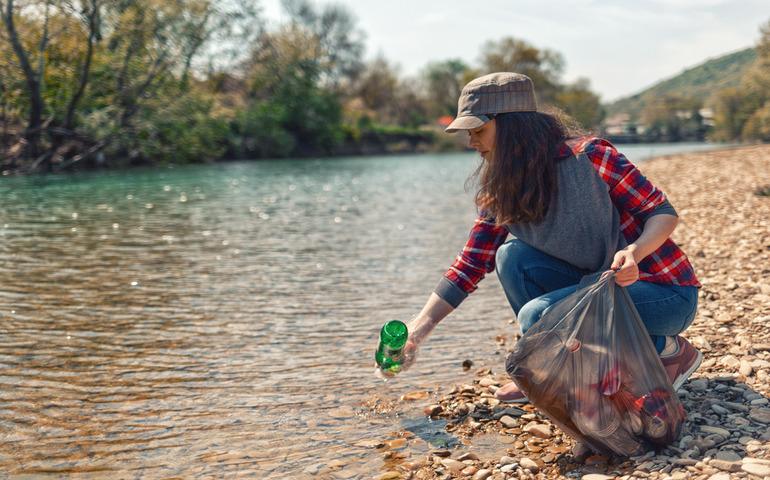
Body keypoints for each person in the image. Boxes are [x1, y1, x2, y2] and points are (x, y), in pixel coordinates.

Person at [394, 72, 702, 409]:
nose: (472, 142)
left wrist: (634, 252)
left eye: (479, 131)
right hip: (596, 291)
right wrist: (417, 330)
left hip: (660, 294)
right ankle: (562, 372)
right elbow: (470, 264)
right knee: (511, 258)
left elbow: (662, 212)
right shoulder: (502, 189)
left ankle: (668, 351)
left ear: (514, 127)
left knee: (537, 317)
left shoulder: (591, 157)